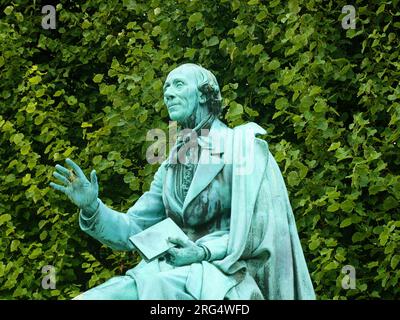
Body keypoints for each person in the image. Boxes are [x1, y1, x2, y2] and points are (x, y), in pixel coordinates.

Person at [50, 63, 316, 299]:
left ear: (203, 94)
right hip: (171, 270)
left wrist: (201, 252)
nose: (168, 92)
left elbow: (260, 232)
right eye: (166, 86)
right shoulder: (171, 162)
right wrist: (92, 207)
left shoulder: (243, 147)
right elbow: (133, 229)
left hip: (223, 274)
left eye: (178, 84)